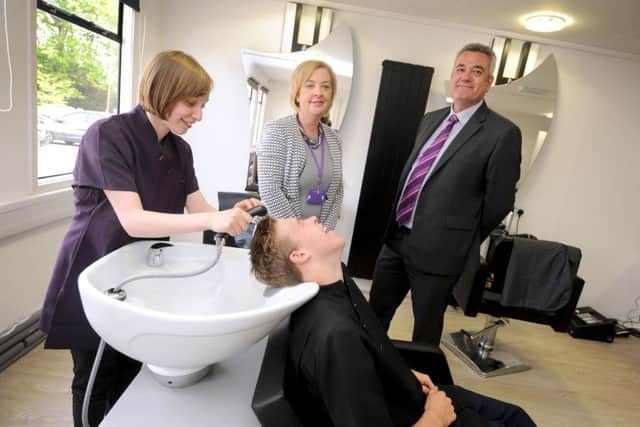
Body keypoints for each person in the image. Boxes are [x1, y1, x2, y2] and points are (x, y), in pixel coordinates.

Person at [39, 50, 260, 426]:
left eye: (202, 105)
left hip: (143, 277)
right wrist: (215, 219)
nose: (198, 115)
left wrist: (234, 215)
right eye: (191, 103)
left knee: (128, 374)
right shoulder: (108, 135)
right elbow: (133, 220)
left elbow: (198, 208)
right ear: (162, 91)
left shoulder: (180, 149)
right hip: (95, 269)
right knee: (93, 378)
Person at [250, 215, 536, 427]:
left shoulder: (341, 283)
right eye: (301, 223)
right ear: (299, 255)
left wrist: (401, 372)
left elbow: (369, 351)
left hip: (413, 394)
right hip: (426, 418)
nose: (312, 218)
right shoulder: (335, 337)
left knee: (517, 416)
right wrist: (435, 417)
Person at [369, 43, 522, 345]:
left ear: (488, 82)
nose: (466, 76)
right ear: (452, 75)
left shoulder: (502, 133)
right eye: (460, 69)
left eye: (477, 71)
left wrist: (459, 237)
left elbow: (499, 202)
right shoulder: (430, 119)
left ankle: (422, 389)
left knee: (424, 331)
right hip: (397, 239)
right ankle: (366, 375)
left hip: (441, 251)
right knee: (373, 316)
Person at [257, 60, 343, 230]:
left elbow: (337, 192)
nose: (319, 92)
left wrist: (323, 233)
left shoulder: (334, 138)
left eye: (326, 87)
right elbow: (270, 191)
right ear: (297, 94)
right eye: (310, 86)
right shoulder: (278, 130)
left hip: (319, 237)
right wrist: (300, 233)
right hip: (284, 235)